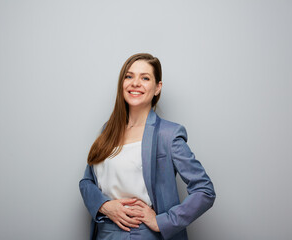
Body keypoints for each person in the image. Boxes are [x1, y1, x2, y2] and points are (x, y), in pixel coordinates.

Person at [79, 53, 215, 240]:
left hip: (142, 234)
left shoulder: (168, 134)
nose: (135, 83)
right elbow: (87, 182)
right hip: (104, 232)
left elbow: (204, 190)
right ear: (122, 83)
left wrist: (163, 221)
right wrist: (104, 206)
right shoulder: (108, 130)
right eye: (129, 76)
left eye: (145, 78)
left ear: (157, 88)